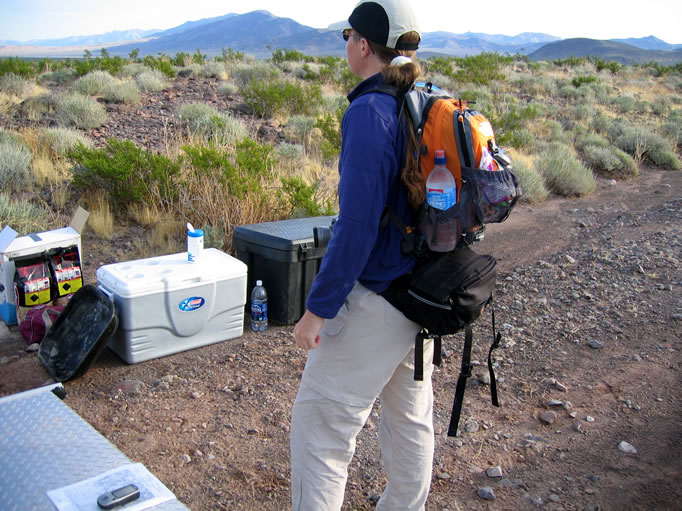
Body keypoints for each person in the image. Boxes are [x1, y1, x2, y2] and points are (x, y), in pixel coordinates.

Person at [291, 1, 434, 509]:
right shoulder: (419, 99)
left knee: (320, 427)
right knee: (408, 419)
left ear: (365, 45)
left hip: (379, 298)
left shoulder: (369, 112)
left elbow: (355, 228)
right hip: (422, 294)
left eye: (349, 33)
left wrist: (318, 310)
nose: (347, 42)